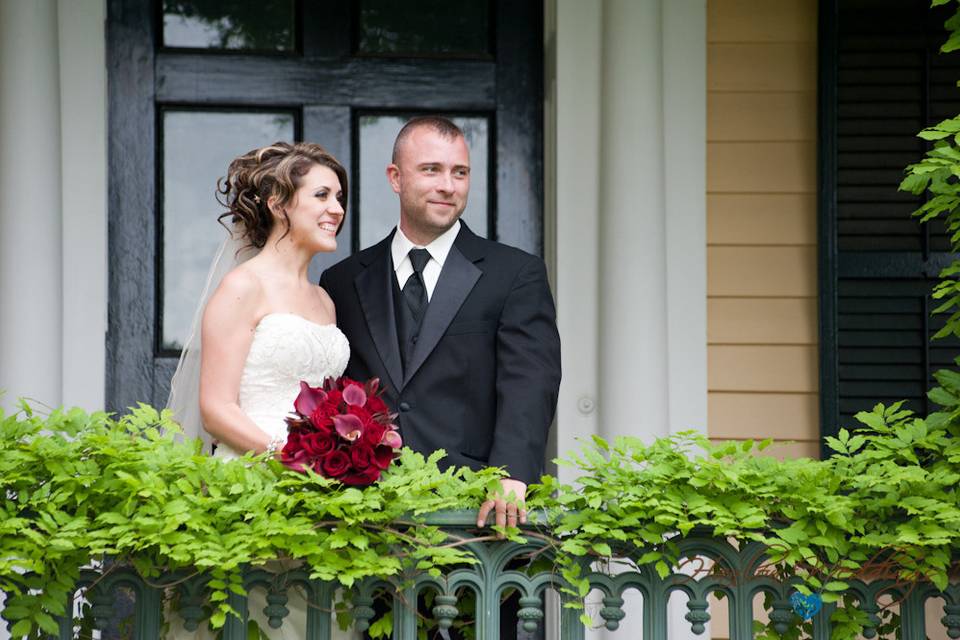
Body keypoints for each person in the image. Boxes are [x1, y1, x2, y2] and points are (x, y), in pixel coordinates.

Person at [319, 116, 562, 531]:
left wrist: (512, 473)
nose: (448, 185)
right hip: (370, 514)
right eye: (431, 169)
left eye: (460, 172)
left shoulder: (515, 273)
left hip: (478, 512)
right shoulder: (341, 281)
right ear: (395, 178)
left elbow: (530, 380)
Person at [166, 141, 353, 639]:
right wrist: (291, 459)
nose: (337, 209)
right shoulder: (242, 288)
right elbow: (215, 409)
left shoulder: (324, 301)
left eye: (340, 198)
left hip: (320, 497)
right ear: (277, 203)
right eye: (321, 195)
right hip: (249, 487)